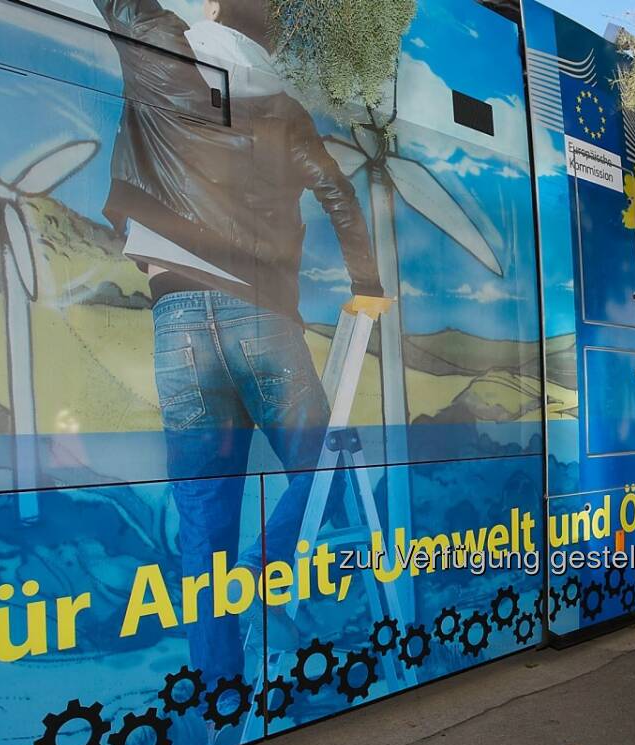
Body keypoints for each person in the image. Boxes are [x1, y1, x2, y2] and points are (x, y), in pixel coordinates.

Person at [93, 0, 389, 702]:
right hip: (265, 319)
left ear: (215, 8)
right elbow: (338, 194)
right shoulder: (283, 108)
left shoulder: (160, 49)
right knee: (327, 476)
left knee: (202, 520)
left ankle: (220, 694)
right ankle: (263, 574)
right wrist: (367, 286)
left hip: (178, 322)